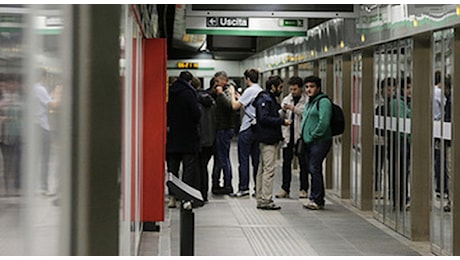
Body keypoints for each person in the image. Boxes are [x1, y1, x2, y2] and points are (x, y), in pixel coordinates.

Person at [253, 75, 291, 210]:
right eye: (280, 87)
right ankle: (266, 200)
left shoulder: (268, 99)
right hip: (268, 139)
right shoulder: (266, 99)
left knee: (262, 170)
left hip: (265, 138)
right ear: (273, 87)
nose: (281, 90)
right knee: (268, 170)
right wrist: (282, 121)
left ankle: (261, 197)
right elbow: (264, 118)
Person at [166, 70, 201, 208]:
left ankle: (172, 198)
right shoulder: (189, 93)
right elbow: (196, 114)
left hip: (172, 135)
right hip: (188, 136)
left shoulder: (170, 92)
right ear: (190, 81)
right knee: (188, 168)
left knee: (172, 169)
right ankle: (185, 198)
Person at [228, 68, 263, 197]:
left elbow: (234, 106)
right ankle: (257, 188)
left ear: (247, 79)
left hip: (247, 129)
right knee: (256, 161)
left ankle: (244, 188)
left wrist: (232, 94)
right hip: (258, 129)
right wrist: (240, 98)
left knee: (243, 160)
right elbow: (249, 104)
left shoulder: (249, 90)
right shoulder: (260, 91)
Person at [300, 75, 332, 210]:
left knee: (314, 168)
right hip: (309, 141)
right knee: (313, 168)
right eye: (306, 87)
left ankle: (317, 199)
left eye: (312, 87)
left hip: (320, 141)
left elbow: (323, 122)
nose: (309, 89)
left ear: (318, 88)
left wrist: (313, 135)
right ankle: (315, 197)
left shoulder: (323, 102)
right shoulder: (310, 102)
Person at [275, 76, 309, 199]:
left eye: (295, 89)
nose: (292, 92)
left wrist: (293, 109)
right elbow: (280, 116)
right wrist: (283, 111)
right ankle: (285, 189)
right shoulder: (287, 99)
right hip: (288, 136)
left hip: (300, 136)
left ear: (301, 88)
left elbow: (306, 113)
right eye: (291, 89)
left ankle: (304, 189)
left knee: (303, 164)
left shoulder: (307, 100)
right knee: (286, 164)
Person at [34, 69, 61, 196]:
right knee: (45, 157)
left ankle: (39, 185)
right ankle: (43, 187)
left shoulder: (34, 89)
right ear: (43, 77)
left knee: (39, 157)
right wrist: (61, 97)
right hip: (42, 126)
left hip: (38, 125)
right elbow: (52, 105)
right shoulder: (40, 89)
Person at [190, 76, 216, 202]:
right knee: (203, 167)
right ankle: (204, 194)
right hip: (209, 139)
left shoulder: (194, 101)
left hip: (198, 139)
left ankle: (196, 194)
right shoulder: (210, 101)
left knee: (196, 168)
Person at [388, 77, 411, 210]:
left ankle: (403, 198)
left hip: (404, 143)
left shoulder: (407, 102)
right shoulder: (398, 103)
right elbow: (401, 125)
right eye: (407, 87)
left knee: (404, 171)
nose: (410, 90)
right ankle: (400, 200)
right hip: (399, 143)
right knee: (400, 171)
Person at [210, 71, 235, 195]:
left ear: (225, 80)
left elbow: (229, 106)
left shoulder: (228, 91)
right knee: (220, 157)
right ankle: (216, 183)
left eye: (218, 81)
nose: (216, 84)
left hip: (224, 128)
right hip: (220, 128)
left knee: (223, 158)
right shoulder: (218, 91)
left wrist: (220, 94)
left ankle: (227, 184)